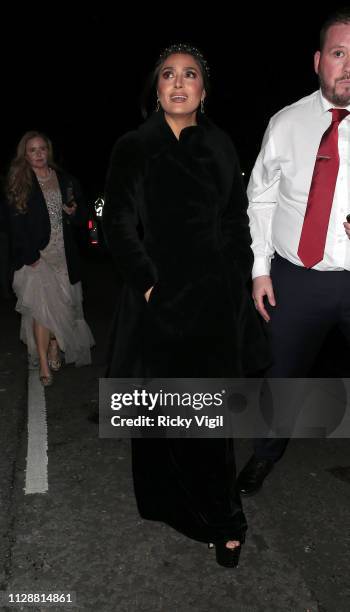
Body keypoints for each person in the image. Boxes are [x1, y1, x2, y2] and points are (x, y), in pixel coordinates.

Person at [103, 43, 269, 567]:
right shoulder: (134, 145)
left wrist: (235, 275)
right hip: (156, 301)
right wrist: (149, 284)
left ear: (203, 88)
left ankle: (225, 520)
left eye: (190, 74)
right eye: (168, 75)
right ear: (156, 89)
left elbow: (235, 220)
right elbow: (118, 225)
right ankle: (166, 501)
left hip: (212, 302)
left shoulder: (220, 145)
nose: (179, 83)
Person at [238, 8, 350, 496]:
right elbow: (259, 195)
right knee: (281, 377)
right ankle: (265, 455)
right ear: (318, 60)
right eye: (339, 53)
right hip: (295, 280)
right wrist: (260, 270)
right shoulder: (285, 123)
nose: (348, 65)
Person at [7, 131, 95, 386]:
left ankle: (55, 344)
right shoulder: (20, 181)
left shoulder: (65, 180)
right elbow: (15, 224)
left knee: (64, 306)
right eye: (32, 150)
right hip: (36, 256)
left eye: (42, 149)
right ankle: (44, 363)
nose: (38, 154)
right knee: (41, 310)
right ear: (25, 154)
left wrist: (73, 212)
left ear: (49, 151)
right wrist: (28, 256)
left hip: (62, 254)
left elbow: (81, 217)